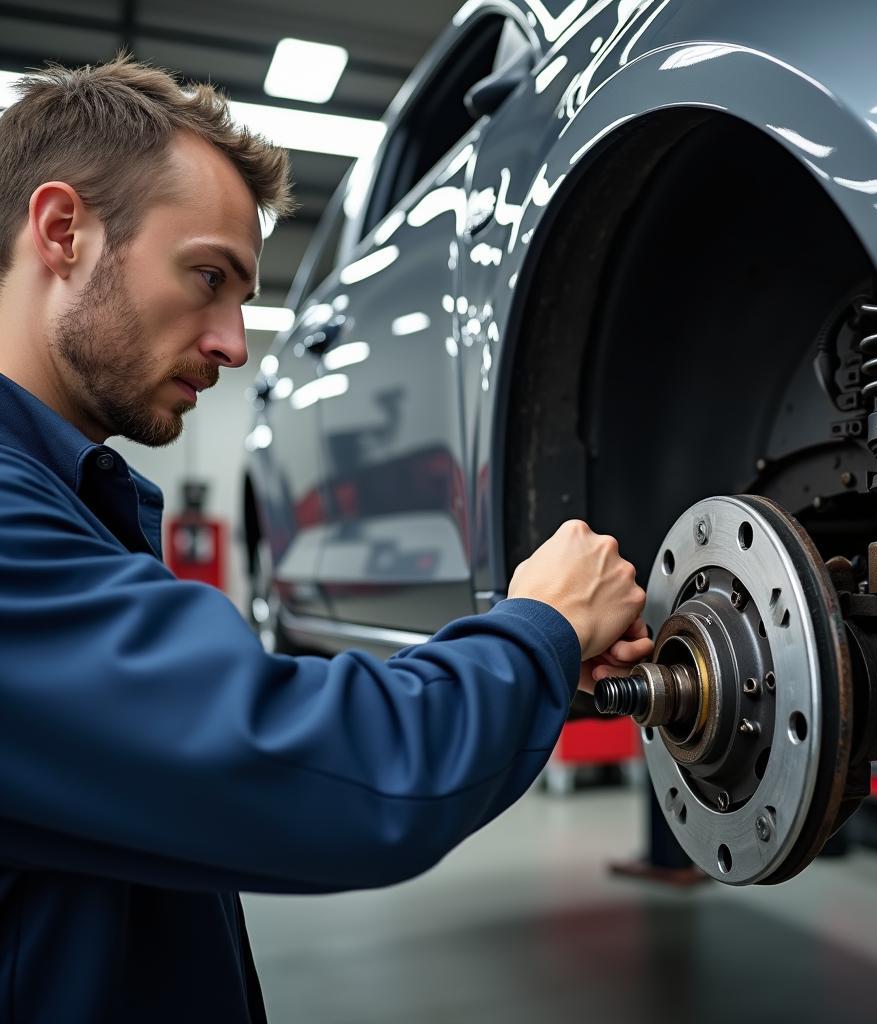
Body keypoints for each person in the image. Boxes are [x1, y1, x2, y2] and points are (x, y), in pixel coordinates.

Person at [0, 58, 653, 1023]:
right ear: (64, 232)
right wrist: (539, 630)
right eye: (209, 277)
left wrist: (527, 664)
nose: (236, 344)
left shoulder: (69, 500)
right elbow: (338, 772)